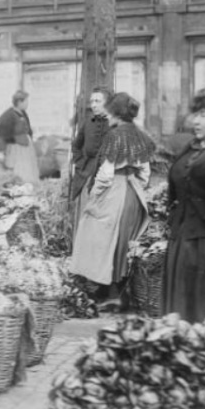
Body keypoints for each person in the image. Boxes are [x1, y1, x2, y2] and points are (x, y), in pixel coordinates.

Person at [70, 92, 154, 309]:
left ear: (115, 113)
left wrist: (95, 197)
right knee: (125, 241)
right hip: (133, 192)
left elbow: (106, 173)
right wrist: (137, 188)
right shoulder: (140, 135)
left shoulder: (114, 136)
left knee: (101, 238)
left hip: (114, 190)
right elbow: (145, 171)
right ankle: (119, 290)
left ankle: (106, 290)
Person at [163, 86, 205, 323]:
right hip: (183, 242)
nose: (196, 121)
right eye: (195, 114)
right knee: (180, 314)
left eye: (204, 115)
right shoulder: (191, 147)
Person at [71, 86, 112, 233]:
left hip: (105, 179)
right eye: (92, 101)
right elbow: (76, 146)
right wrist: (81, 164)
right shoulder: (88, 122)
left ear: (107, 104)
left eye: (97, 101)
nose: (93, 105)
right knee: (84, 215)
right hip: (86, 174)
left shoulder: (114, 125)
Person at [0, 90, 40, 185]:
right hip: (16, 149)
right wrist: (1, 152)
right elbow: (1, 134)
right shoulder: (8, 116)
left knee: (28, 172)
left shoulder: (23, 113)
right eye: (26, 101)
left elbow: (28, 128)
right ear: (19, 102)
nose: (27, 104)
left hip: (26, 149)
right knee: (19, 173)